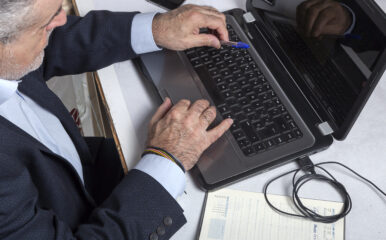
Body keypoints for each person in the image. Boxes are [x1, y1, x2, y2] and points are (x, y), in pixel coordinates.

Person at [0, 0, 233, 239]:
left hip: (85, 173)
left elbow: (51, 43)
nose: (62, 20)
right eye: (45, 25)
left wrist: (156, 29)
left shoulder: (11, 51)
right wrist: (168, 158)